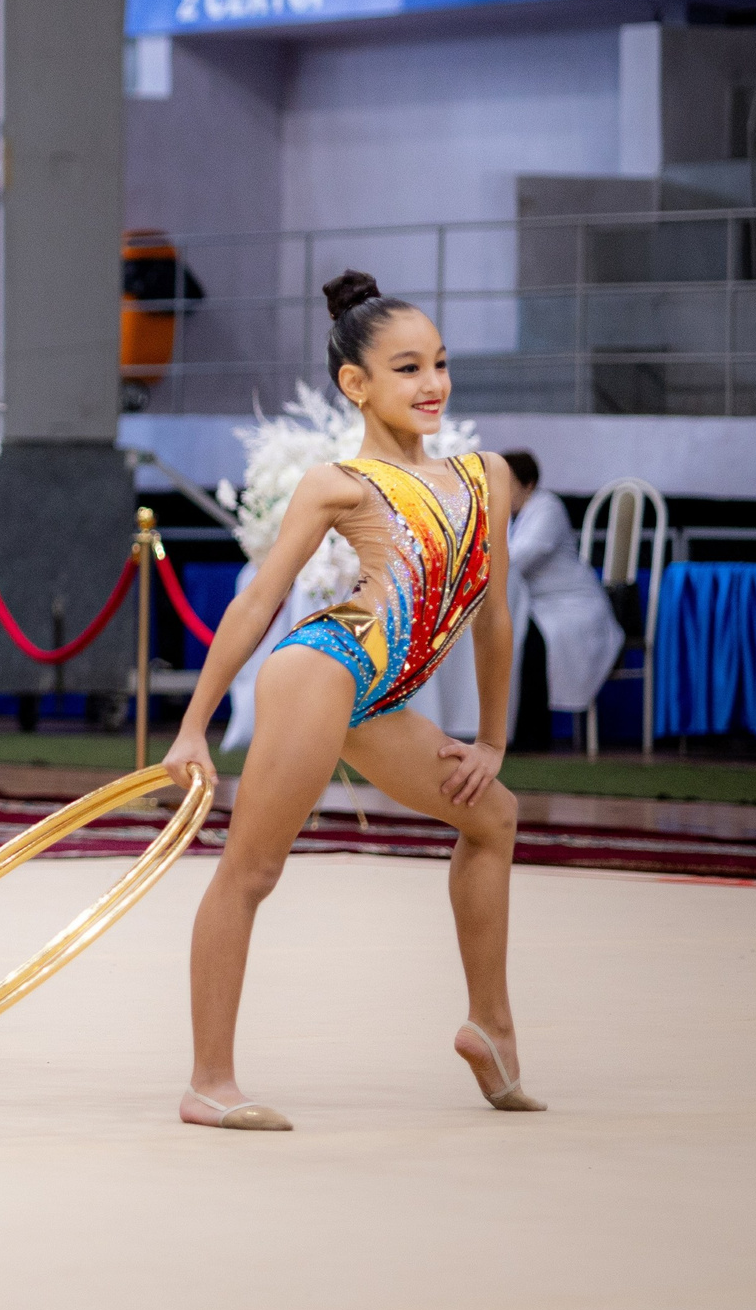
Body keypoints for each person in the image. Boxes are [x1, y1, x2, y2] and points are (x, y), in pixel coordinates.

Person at [162, 270, 537, 1131]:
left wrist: (491, 742)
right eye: (408, 368)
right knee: (253, 869)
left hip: (376, 694)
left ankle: (493, 1026)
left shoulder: (486, 476)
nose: (433, 383)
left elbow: (495, 619)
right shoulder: (339, 482)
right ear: (355, 383)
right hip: (323, 669)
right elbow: (258, 601)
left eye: (440, 363)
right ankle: (209, 1080)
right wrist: (192, 727)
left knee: (494, 816)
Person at [501, 450, 624, 750]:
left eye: (507, 483)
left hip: (575, 609)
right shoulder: (508, 517)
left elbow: (520, 558)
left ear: (528, 484)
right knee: (509, 633)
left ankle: (532, 736)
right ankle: (508, 729)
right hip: (540, 607)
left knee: (528, 639)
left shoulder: (548, 508)